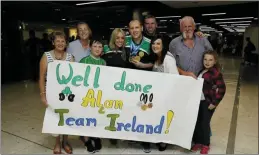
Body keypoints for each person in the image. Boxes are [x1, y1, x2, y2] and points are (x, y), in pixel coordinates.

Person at [39, 31, 74, 154]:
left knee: (67, 117)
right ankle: (57, 143)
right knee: (55, 118)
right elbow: (42, 77)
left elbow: (75, 77)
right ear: (53, 42)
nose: (60, 43)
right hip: (52, 94)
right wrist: (43, 95)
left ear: (66, 43)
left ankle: (65, 141)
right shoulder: (46, 56)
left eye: (62, 41)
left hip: (67, 94)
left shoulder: (70, 57)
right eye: (57, 41)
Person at [192, 50, 226, 154]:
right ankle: (198, 141)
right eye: (205, 59)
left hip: (208, 102)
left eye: (210, 60)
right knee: (197, 122)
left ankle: (206, 144)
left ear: (215, 61)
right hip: (199, 101)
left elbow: (222, 89)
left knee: (204, 123)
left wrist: (214, 103)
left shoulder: (215, 73)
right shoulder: (202, 71)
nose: (207, 62)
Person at [79, 39, 105, 153]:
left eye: (100, 47)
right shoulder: (84, 61)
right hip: (86, 94)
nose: (97, 49)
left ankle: (95, 136)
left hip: (98, 95)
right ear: (90, 47)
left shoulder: (103, 62)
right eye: (95, 46)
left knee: (96, 116)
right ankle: (87, 140)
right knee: (85, 117)